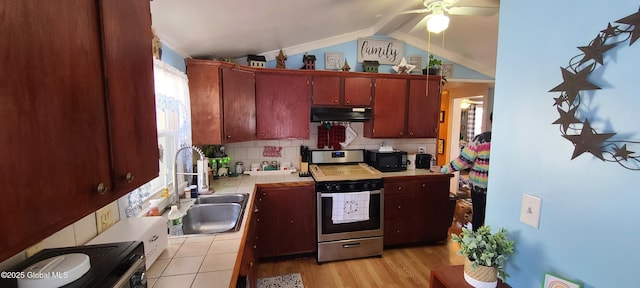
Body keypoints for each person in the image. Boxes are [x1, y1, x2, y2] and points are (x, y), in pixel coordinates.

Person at [441, 112, 492, 231]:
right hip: (501, 189)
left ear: (490, 121)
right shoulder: (511, 141)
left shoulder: (481, 140)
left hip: (480, 187)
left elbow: (464, 161)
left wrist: (443, 169)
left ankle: (476, 246)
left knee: (479, 217)